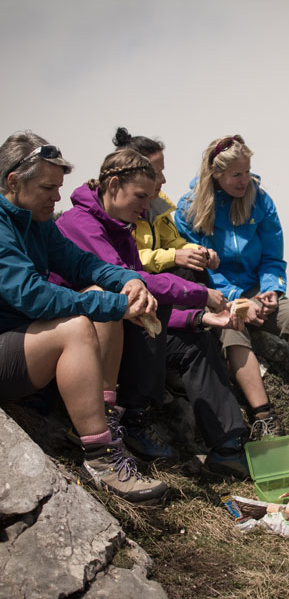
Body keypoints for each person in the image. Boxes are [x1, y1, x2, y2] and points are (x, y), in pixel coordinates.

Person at [53, 147, 250, 478]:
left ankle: (228, 447)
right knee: (142, 308)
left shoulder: (121, 225)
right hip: (83, 336)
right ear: (113, 185)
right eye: (141, 196)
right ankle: (129, 418)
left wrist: (198, 317)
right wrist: (202, 295)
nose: (147, 207)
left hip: (123, 328)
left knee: (195, 344)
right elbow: (131, 284)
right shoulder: (80, 223)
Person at [0, 131, 168, 504]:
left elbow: (81, 264)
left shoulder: (36, 221)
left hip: (20, 340)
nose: (57, 197)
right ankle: (102, 460)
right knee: (78, 326)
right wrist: (115, 306)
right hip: (7, 343)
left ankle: (102, 419)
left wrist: (128, 280)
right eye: (48, 187)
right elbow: (31, 295)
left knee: (96, 296)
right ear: (13, 181)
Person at [175, 134, 289, 458]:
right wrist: (239, 300)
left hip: (257, 287)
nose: (244, 180)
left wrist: (271, 290)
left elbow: (273, 256)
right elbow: (202, 267)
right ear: (216, 173)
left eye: (247, 171)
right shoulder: (190, 208)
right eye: (236, 174)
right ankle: (264, 418)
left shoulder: (260, 200)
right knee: (233, 332)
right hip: (218, 291)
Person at [112, 127, 219, 284]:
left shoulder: (158, 204)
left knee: (194, 268)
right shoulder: (117, 211)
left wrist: (197, 252)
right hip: (134, 283)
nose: (163, 180)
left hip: (156, 277)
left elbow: (171, 241)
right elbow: (128, 259)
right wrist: (174, 256)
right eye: (156, 174)